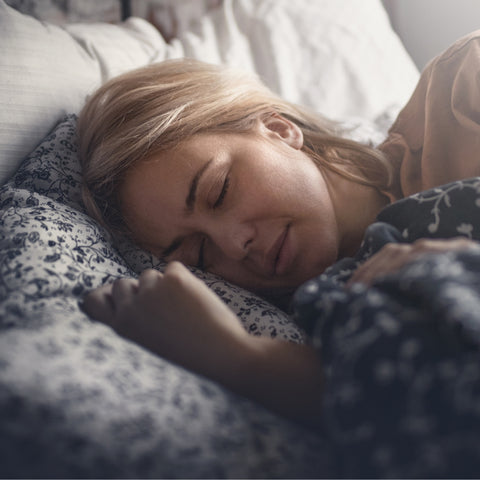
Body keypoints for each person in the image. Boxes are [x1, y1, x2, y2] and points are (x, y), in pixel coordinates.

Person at [79, 32, 480, 428]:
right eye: (200, 255)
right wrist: (232, 355)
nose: (235, 246)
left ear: (279, 129)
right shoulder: (327, 315)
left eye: (220, 192)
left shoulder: (459, 91)